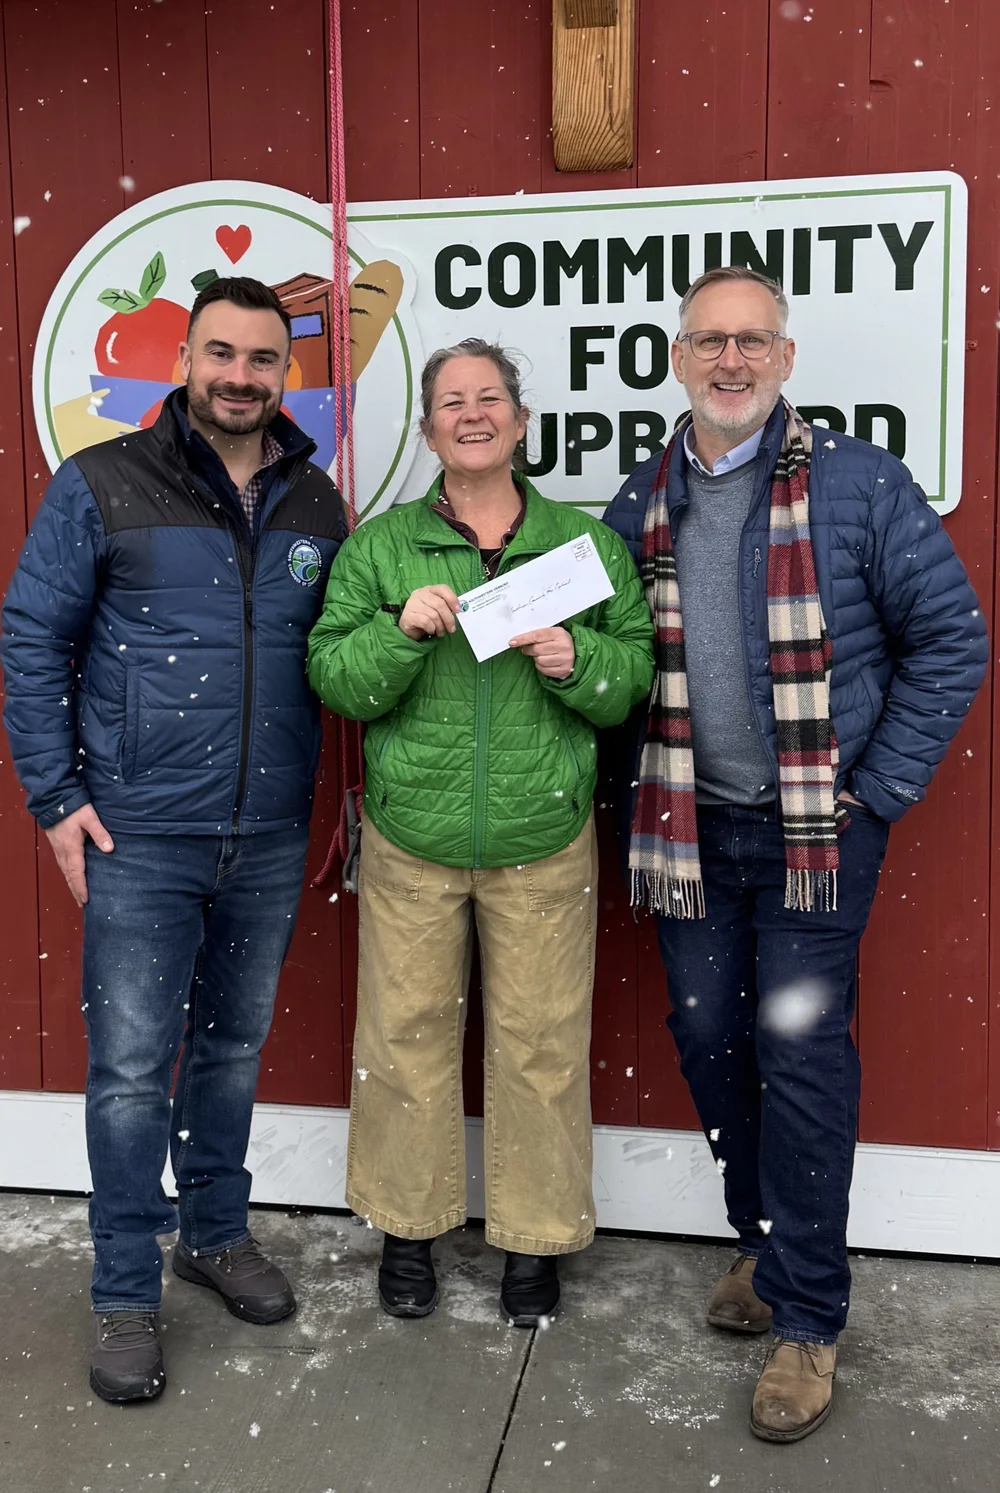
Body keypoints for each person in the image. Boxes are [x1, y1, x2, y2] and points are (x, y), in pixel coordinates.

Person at [603, 267, 987, 1443]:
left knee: (801, 1055)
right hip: (691, 832)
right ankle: (764, 1244)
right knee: (708, 1036)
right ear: (676, 358)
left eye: (750, 341)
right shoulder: (640, 496)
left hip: (816, 834)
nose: (729, 360)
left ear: (783, 355)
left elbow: (951, 640)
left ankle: (809, 1317)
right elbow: (617, 663)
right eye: (707, 341)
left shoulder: (858, 482)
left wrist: (874, 789)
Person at [1, 277, 346, 1405]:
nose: (240, 376)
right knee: (133, 1072)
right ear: (184, 359)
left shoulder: (315, 500)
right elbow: (31, 637)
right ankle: (122, 1290)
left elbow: (338, 661)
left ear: (285, 374)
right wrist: (56, 797)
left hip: (268, 825)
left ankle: (214, 1229)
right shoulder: (103, 482)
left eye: (261, 358)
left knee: (233, 1048)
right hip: (141, 830)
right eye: (220, 354)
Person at [307, 338, 653, 1326]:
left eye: (489, 397)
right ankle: (408, 1227)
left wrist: (575, 656)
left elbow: (630, 674)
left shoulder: (579, 548)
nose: (472, 413)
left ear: (519, 420)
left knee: (540, 1045)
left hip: (541, 833)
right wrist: (396, 631)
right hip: (414, 832)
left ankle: (534, 1242)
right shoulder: (381, 548)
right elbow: (335, 676)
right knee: (404, 1035)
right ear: (426, 429)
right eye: (451, 400)